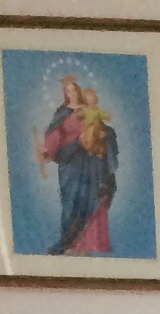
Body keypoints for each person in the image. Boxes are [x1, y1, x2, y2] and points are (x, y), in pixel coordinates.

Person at [36, 72, 117, 257]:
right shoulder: (62, 113)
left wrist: (103, 136)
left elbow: (102, 130)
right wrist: (46, 150)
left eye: (73, 90)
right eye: (68, 91)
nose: (71, 93)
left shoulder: (89, 110)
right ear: (65, 93)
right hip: (70, 162)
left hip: (91, 162)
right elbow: (55, 136)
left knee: (90, 199)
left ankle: (83, 245)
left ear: (79, 91)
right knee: (71, 202)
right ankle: (67, 242)